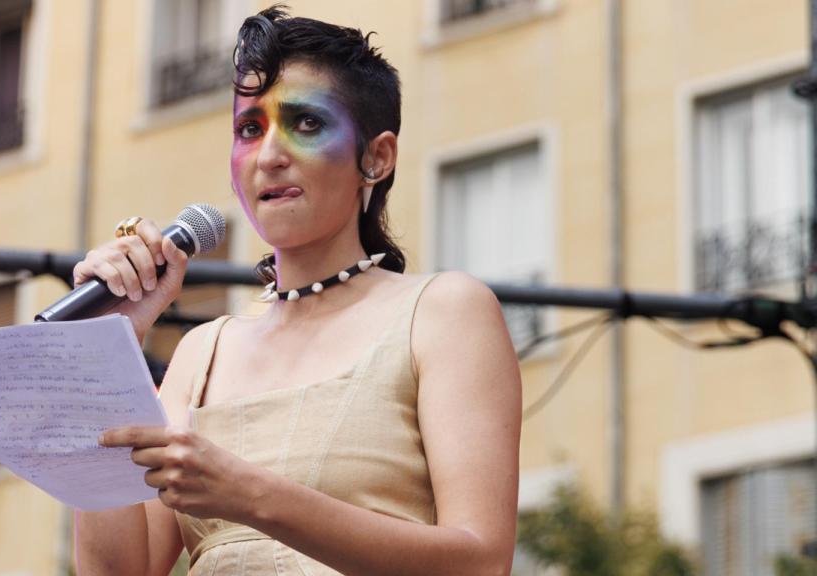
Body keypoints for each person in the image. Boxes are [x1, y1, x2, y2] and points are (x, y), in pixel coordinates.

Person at [72, 6, 521, 575]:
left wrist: (251, 495)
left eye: (306, 123)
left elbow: (481, 563)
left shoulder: (443, 313)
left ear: (376, 158)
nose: (270, 155)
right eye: (249, 129)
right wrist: (101, 354)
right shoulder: (200, 355)